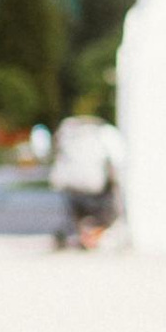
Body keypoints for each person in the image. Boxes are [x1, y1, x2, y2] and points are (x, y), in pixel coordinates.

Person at [48, 105, 124, 250]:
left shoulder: (69, 132)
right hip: (97, 186)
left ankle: (83, 234)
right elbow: (118, 159)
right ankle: (93, 235)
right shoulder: (106, 132)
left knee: (77, 213)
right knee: (109, 214)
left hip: (71, 185)